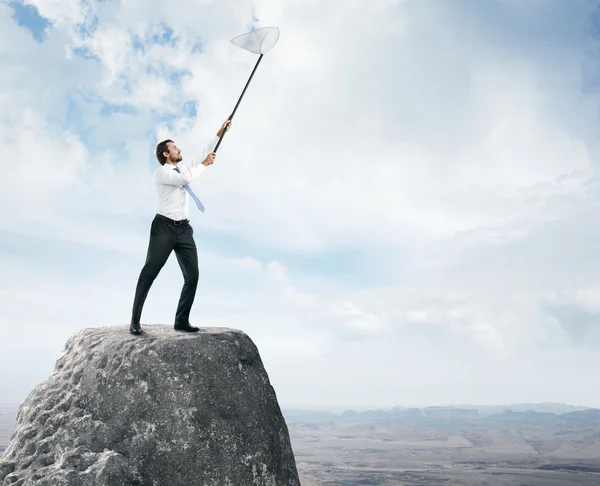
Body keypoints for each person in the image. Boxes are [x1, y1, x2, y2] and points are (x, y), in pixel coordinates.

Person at [129, 117, 232, 335]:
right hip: (163, 228)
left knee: (192, 276)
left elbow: (205, 152)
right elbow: (186, 178)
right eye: (174, 147)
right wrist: (204, 164)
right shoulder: (162, 173)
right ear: (166, 154)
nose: (179, 149)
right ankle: (135, 320)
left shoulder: (183, 168)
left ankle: (181, 320)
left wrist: (220, 131)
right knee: (150, 272)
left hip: (184, 229)